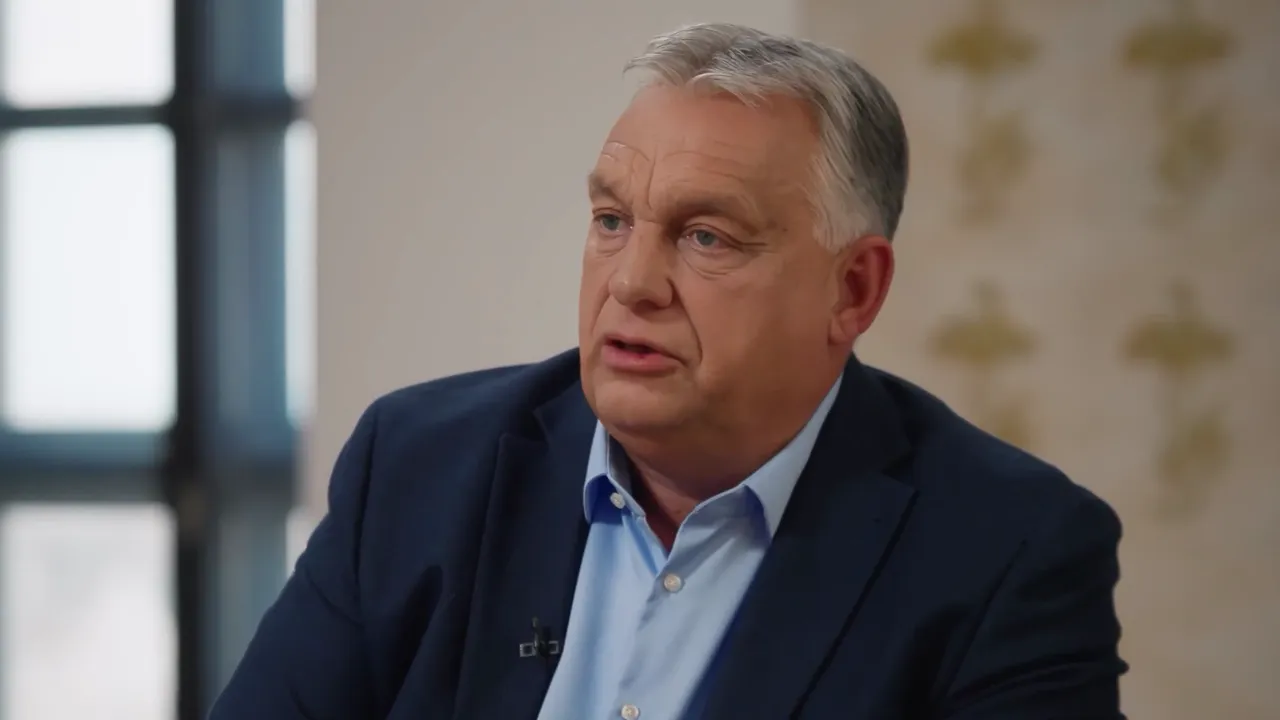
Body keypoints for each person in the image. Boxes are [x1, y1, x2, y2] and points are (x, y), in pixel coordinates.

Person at [211, 22, 1126, 720]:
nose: (633, 283)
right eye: (612, 221)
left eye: (705, 237)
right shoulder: (415, 468)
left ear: (852, 289)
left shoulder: (1010, 551)